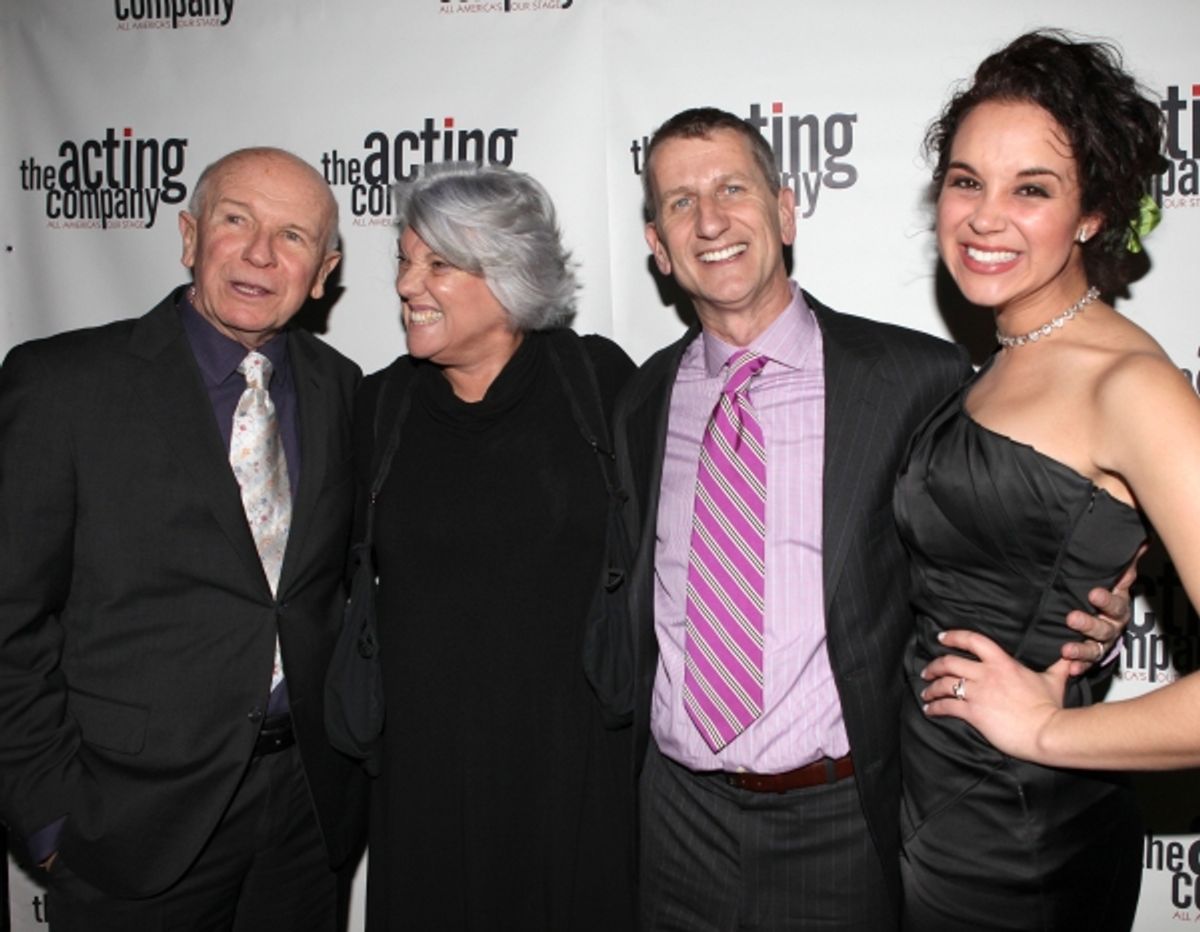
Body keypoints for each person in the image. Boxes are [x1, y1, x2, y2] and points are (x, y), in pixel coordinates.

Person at [613, 106, 1133, 932]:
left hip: (843, 822)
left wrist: (1081, 626)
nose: (709, 220)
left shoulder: (914, 380)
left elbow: (998, 544)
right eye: (679, 203)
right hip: (675, 822)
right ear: (656, 244)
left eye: (731, 190)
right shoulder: (641, 400)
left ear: (785, 209)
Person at [0, 147, 366, 931]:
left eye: (294, 237)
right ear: (189, 234)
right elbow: (9, 616)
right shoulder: (62, 385)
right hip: (128, 820)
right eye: (237, 221)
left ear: (325, 270)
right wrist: (49, 816)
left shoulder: (342, 388)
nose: (262, 254)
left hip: (306, 814)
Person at [893, 30, 1173, 932]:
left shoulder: (1129, 385)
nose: (984, 216)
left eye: (1032, 190)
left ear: (1093, 213)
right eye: (967, 180)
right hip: (934, 804)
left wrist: (1052, 732)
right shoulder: (1004, 357)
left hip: (1023, 843)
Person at [356, 163, 636, 931]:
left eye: (438, 263)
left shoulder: (599, 382)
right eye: (406, 261)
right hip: (423, 780)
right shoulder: (379, 407)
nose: (409, 284)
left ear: (510, 275)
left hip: (573, 769)